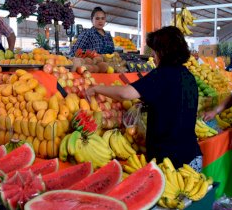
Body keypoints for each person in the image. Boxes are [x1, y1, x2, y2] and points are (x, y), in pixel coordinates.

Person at [86, 26, 202, 171]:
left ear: (164, 51)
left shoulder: (162, 75)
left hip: (171, 161)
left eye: (154, 50)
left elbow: (125, 94)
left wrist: (96, 88)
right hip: (192, 156)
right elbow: (173, 102)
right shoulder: (188, 76)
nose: (152, 55)